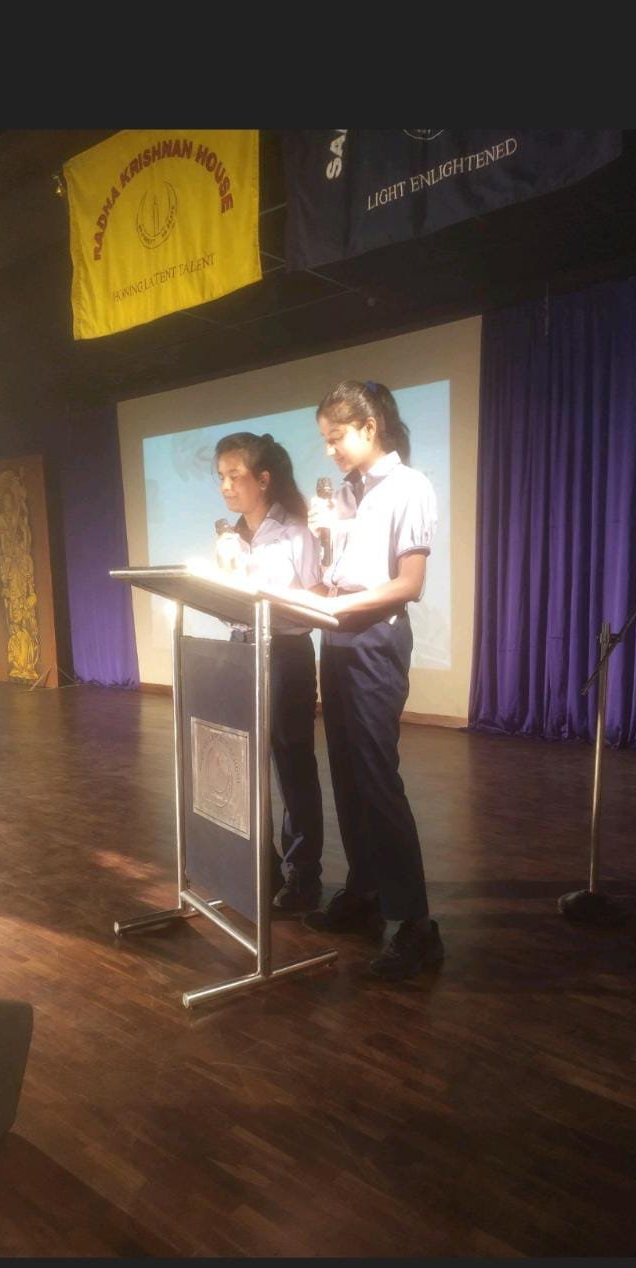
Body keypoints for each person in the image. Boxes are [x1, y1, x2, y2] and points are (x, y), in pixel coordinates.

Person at [282, 379, 445, 982]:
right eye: (325, 441)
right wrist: (318, 561)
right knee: (347, 775)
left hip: (375, 639)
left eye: (336, 438)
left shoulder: (409, 487)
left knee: (377, 778)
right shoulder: (348, 493)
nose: (330, 451)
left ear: (370, 427)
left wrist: (338, 605)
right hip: (337, 635)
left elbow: (409, 584)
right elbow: (337, 575)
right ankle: (366, 892)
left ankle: (415, 924)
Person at [213, 431, 325, 914]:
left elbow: (318, 601)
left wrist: (264, 595)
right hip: (241, 649)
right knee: (242, 762)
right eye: (220, 477)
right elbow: (226, 603)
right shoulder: (230, 536)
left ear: (263, 479)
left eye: (234, 475)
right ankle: (262, 864)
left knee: (292, 763)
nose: (225, 486)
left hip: (285, 653)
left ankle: (303, 872)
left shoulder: (296, 532)